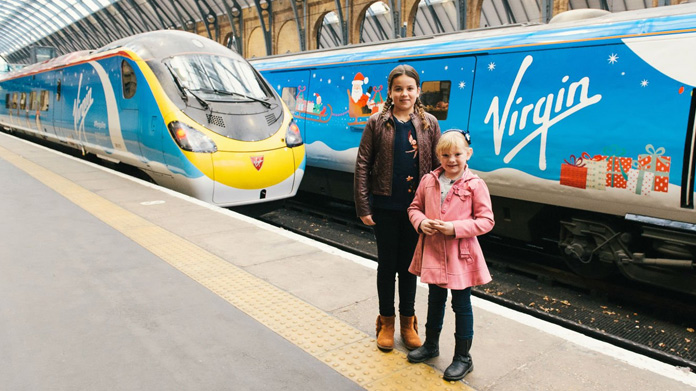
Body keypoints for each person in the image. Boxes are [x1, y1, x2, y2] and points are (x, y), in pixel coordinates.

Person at [354, 64, 441, 352]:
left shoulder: (429, 123)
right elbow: (363, 164)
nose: (405, 93)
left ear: (418, 91)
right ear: (390, 91)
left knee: (409, 267)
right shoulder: (377, 122)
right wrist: (364, 205)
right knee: (387, 265)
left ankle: (408, 322)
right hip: (385, 205)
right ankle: (386, 322)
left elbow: (440, 168)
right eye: (398, 88)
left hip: (417, 210)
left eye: (410, 88)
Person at [405, 129, 494, 381]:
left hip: (461, 255)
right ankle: (431, 345)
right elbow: (414, 208)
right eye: (445, 155)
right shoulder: (428, 180)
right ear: (438, 156)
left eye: (457, 154)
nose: (451, 159)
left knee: (461, 305)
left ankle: (463, 358)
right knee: (435, 300)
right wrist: (421, 223)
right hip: (433, 251)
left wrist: (455, 228)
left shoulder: (476, 185)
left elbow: (486, 221)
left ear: (468, 154)